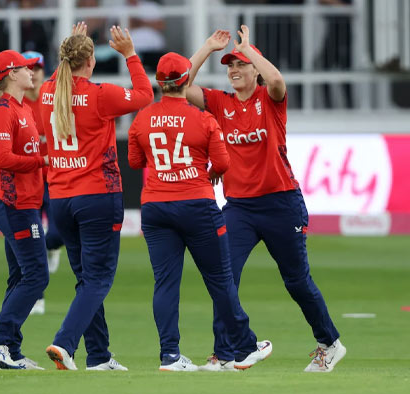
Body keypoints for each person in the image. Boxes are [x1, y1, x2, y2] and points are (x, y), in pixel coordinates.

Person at [187, 26, 346, 372]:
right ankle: (224, 352)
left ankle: (329, 343)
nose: (233, 70)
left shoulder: (269, 100)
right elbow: (182, 86)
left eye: (240, 65)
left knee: (296, 281)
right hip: (240, 207)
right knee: (223, 276)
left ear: (255, 70)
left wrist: (251, 52)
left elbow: (276, 81)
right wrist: (207, 49)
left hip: (281, 202)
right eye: (230, 65)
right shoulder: (220, 102)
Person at [128, 51, 272, 372]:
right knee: (221, 280)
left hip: (155, 206)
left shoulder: (142, 118)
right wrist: (201, 173)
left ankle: (170, 355)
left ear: (159, 82)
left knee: (165, 283)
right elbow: (222, 164)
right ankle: (245, 347)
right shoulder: (204, 119)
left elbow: (136, 162)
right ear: (185, 81)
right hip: (196, 203)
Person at [39, 22, 153, 370]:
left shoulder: (46, 91)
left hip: (60, 200)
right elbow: (146, 95)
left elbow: (65, 79)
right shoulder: (100, 94)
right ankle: (64, 343)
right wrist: (131, 54)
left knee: (87, 281)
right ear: (89, 62)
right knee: (99, 279)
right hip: (97, 197)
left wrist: (75, 44)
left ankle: (99, 357)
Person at [0, 49, 49, 371]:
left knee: (19, 276)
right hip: (15, 204)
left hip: (23, 202)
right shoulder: (3, 111)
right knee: (37, 275)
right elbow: (0, 158)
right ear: (11, 74)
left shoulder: (22, 109)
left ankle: (10, 351)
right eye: (25, 67)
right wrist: (41, 161)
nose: (31, 71)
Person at [21, 51, 65, 316]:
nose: (33, 72)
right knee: (30, 236)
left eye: (37, 67)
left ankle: (51, 247)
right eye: (29, 67)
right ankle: (36, 296)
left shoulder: (51, 98)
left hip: (56, 177)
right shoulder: (19, 105)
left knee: (58, 233)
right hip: (30, 179)